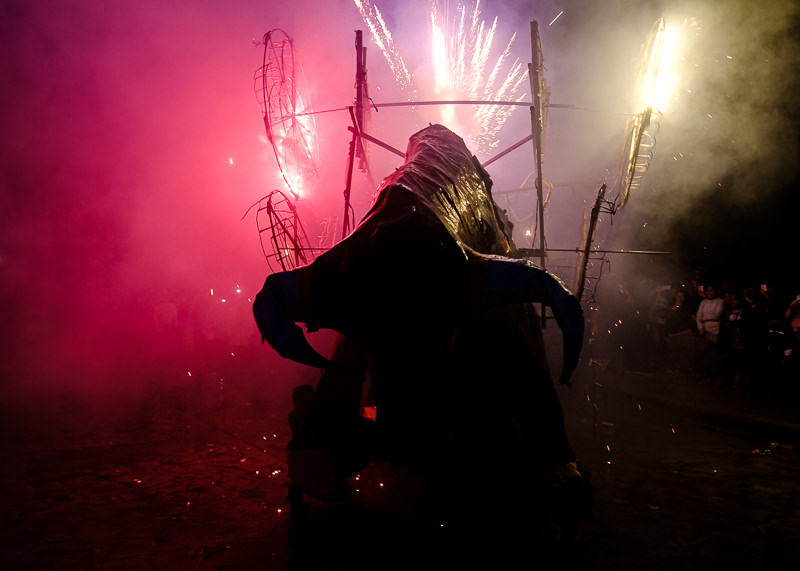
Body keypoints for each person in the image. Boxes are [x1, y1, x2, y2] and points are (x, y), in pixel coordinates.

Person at [665, 289, 696, 375]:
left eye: (682, 297)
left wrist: (692, 327)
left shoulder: (687, 307)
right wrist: (676, 305)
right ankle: (675, 367)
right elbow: (668, 314)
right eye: (679, 296)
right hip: (672, 332)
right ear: (675, 297)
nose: (680, 298)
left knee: (683, 352)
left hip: (682, 332)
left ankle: (683, 369)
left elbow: (692, 317)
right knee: (673, 352)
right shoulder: (673, 306)